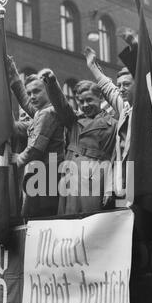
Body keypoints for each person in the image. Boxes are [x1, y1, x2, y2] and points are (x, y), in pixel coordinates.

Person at [40, 70, 118, 215]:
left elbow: (114, 158)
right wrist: (51, 83)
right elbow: (61, 104)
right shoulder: (74, 121)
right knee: (69, 221)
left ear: (100, 97)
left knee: (90, 221)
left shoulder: (113, 124)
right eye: (81, 101)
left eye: (89, 100)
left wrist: (109, 188)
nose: (85, 105)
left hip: (94, 177)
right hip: (71, 175)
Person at [6, 57, 65, 218]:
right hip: (44, 173)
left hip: (48, 174)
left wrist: (18, 159)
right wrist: (13, 74)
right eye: (30, 92)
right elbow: (25, 101)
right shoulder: (41, 111)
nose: (32, 96)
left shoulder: (48, 112)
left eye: (37, 91)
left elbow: (36, 148)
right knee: (33, 216)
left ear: (48, 90)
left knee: (40, 218)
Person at [84, 46, 135, 200]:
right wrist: (93, 67)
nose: (121, 89)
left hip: (140, 177)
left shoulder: (146, 106)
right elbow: (109, 89)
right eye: (119, 85)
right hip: (123, 178)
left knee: (141, 219)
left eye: (126, 84)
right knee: (124, 218)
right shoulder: (125, 107)